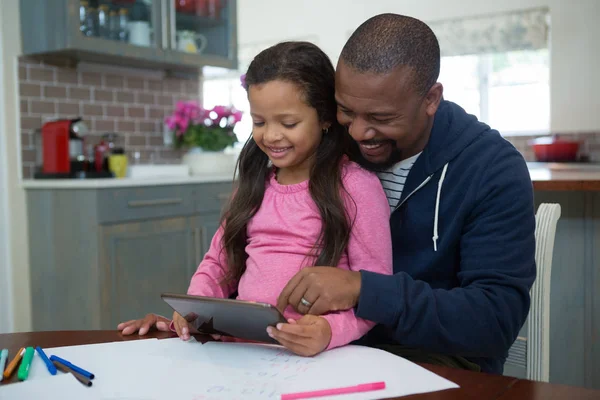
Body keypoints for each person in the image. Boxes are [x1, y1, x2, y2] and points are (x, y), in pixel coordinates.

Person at [274, 13, 536, 374]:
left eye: (381, 118)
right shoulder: (330, 146)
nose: (359, 133)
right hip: (326, 347)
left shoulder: (491, 168)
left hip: (437, 361)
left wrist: (364, 290)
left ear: (431, 98)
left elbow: (494, 321)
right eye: (347, 111)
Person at [117, 41, 393, 357]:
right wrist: (194, 308)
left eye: (288, 123)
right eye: (259, 122)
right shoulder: (254, 183)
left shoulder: (355, 186)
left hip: (319, 355)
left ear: (326, 118)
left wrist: (330, 331)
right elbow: (219, 262)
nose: (271, 135)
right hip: (243, 352)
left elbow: (375, 292)